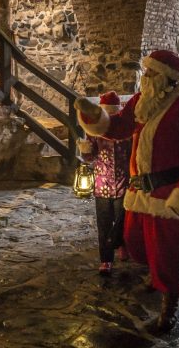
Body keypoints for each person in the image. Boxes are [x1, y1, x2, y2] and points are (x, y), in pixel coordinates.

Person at [74, 50, 179, 334]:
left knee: (170, 251)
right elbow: (120, 126)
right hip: (139, 189)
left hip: (169, 191)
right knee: (136, 241)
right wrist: (94, 118)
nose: (143, 78)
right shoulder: (142, 101)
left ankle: (169, 300)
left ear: (165, 78)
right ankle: (156, 274)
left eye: (149, 73)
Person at [78, 91, 133, 276]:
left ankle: (123, 244)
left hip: (124, 182)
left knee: (122, 220)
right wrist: (85, 152)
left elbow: (134, 153)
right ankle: (106, 259)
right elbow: (90, 156)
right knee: (103, 223)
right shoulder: (96, 131)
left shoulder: (126, 131)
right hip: (102, 183)